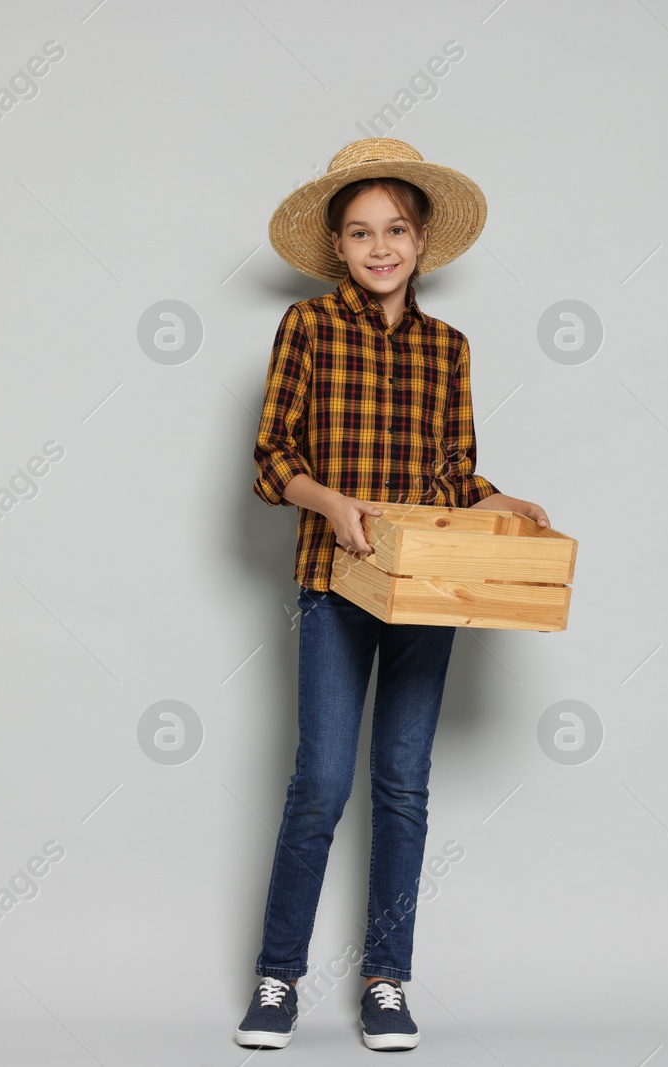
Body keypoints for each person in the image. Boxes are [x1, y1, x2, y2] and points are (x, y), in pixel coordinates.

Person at [236, 137, 550, 1052]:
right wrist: (333, 505)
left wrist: (503, 501)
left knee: (403, 787)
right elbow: (270, 461)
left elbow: (453, 473)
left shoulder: (448, 348)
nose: (381, 247)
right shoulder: (307, 328)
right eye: (363, 232)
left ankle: (386, 979)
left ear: (421, 242)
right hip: (333, 584)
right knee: (322, 783)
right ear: (337, 245)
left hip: (425, 589)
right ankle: (277, 976)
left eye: (397, 231)